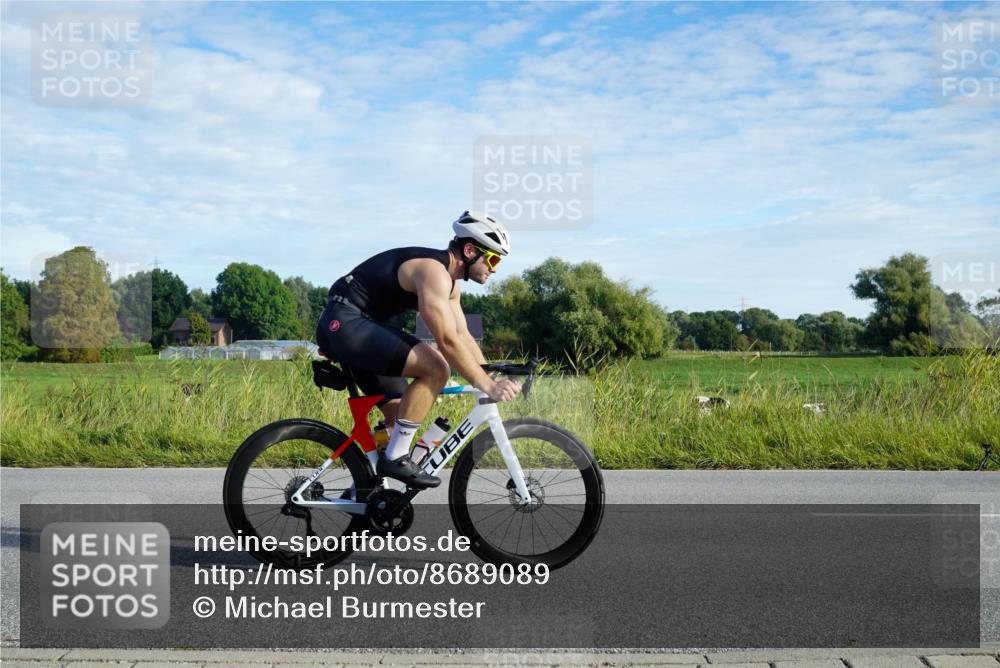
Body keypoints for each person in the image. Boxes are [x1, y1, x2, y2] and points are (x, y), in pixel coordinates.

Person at [316, 211, 522, 489]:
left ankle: (368, 493)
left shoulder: (451, 287)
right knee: (436, 368)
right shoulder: (433, 271)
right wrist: (485, 384)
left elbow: (462, 335)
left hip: (361, 327)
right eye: (493, 258)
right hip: (347, 321)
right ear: (471, 250)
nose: (495, 268)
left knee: (401, 415)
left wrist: (490, 374)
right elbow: (447, 341)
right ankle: (397, 459)